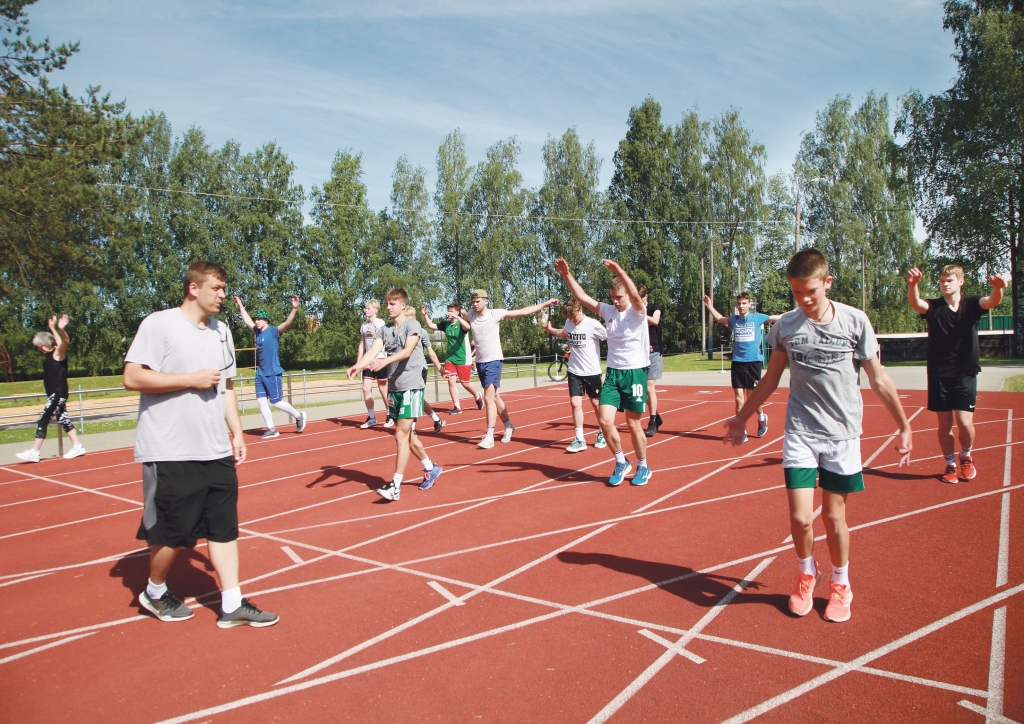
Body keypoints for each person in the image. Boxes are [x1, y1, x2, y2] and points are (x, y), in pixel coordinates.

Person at [725, 249, 912, 624]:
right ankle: (807, 573)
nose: (804, 300)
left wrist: (904, 425)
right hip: (800, 432)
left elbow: (878, 378)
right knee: (800, 517)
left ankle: (841, 583)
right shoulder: (786, 328)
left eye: (810, 291)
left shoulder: (855, 322)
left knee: (833, 516)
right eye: (796, 293)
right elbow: (771, 379)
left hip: (842, 435)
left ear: (827, 283)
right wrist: (742, 416)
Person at [123, 261, 278, 628]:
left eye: (224, 289)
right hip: (170, 448)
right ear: (194, 288)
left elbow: (226, 387)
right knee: (171, 533)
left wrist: (237, 432)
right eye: (217, 288)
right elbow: (132, 376)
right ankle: (155, 591)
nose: (223, 295)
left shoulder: (222, 332)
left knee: (224, 527)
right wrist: (189, 379)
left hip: (215, 448)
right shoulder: (159, 324)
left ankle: (232, 603)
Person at [555, 258, 652, 486]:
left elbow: (636, 297)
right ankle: (621, 461)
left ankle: (643, 466)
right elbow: (583, 298)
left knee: (633, 424)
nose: (615, 302)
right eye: (612, 298)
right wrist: (566, 274)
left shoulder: (637, 311)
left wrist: (619, 269)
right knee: (605, 420)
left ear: (628, 294)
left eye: (619, 297)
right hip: (614, 374)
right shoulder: (609, 311)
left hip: (635, 373)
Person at [907, 264, 1005, 483]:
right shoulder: (935, 307)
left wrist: (998, 288)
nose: (945, 284)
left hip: (965, 372)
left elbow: (992, 301)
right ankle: (950, 463)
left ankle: (966, 455)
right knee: (944, 424)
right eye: (942, 280)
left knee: (965, 422)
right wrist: (913, 284)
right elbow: (916, 303)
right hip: (939, 374)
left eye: (949, 280)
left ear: (961, 281)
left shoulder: (971, 303)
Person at [347, 288, 443, 501]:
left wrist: (385, 361)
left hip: (412, 385)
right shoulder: (384, 330)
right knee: (408, 436)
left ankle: (395, 486)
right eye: (387, 304)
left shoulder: (413, 325)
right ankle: (431, 467)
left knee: (400, 434)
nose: (388, 307)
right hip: (395, 387)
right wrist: (357, 366)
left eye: (392, 304)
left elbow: (407, 351)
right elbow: (372, 352)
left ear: (402, 305)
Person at [463, 289, 559, 449]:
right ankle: (508, 426)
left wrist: (545, 304)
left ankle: (489, 436)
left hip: (494, 360)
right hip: (480, 362)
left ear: (486, 301)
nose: (475, 304)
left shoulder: (495, 314)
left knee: (488, 398)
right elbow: (465, 325)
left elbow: (521, 312)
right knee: (495, 398)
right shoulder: (471, 314)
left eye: (478, 301)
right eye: (473, 301)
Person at [703, 292, 783, 440]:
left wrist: (800, 310)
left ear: (749, 305)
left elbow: (777, 317)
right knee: (739, 398)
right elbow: (720, 319)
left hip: (753, 362)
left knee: (752, 397)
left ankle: (761, 417)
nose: (741, 306)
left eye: (744, 303)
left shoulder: (757, 318)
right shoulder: (734, 320)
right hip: (738, 362)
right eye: (739, 304)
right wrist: (709, 306)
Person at [233, 295, 307, 439]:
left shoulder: (273, 332)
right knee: (261, 401)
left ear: (266, 320)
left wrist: (294, 308)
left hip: (272, 373)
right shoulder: (257, 332)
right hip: (260, 374)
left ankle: (298, 416)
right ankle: (271, 429)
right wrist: (240, 306)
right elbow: (247, 320)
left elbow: (286, 324)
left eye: (259, 319)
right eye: (256, 319)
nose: (256, 321)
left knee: (276, 402)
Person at [15, 314, 86, 462]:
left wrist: (61, 329)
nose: (39, 349)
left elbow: (64, 341)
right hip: (55, 394)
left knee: (43, 420)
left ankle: (35, 451)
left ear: (42, 345)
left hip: (57, 394)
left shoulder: (58, 354)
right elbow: (59, 341)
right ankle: (77, 445)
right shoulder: (53, 354)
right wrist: (52, 328)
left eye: (38, 347)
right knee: (63, 418)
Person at [542, 298, 608, 452]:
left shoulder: (593, 325)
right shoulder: (569, 323)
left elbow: (610, 337)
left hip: (592, 372)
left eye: (573, 316)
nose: (571, 319)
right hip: (574, 371)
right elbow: (564, 333)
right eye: (568, 317)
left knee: (596, 404)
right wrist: (550, 330)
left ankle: (602, 432)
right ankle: (579, 439)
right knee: (575, 403)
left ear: (580, 310)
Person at [420, 303, 483, 414]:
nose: (449, 313)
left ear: (457, 312)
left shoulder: (461, 324)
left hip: (463, 357)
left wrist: (458, 317)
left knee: (465, 383)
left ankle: (477, 395)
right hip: (450, 357)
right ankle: (457, 406)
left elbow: (468, 327)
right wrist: (425, 315)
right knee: (451, 381)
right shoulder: (446, 324)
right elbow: (431, 326)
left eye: (452, 311)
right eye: (448, 311)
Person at [357, 300, 392, 429]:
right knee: (366, 388)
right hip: (368, 361)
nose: (366, 310)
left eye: (368, 308)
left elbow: (384, 341)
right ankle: (372, 418)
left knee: (383, 389)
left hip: (379, 360)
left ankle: (390, 414)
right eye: (365, 308)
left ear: (375, 310)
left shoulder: (380, 323)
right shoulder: (364, 325)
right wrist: (359, 362)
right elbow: (362, 344)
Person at [639, 285, 664, 438]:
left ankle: (652, 422)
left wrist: (640, 314)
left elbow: (655, 320)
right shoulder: (633, 311)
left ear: (646, 296)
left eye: (641, 299)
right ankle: (656, 416)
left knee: (649, 388)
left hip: (654, 351)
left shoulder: (655, 307)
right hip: (639, 353)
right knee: (641, 390)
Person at [414, 330, 446, 435]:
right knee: (417, 398)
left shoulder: (421, 332)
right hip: (404, 370)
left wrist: (440, 369)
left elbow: (430, 351)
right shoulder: (398, 329)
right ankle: (437, 420)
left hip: (419, 369)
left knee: (415, 397)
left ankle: (411, 428)